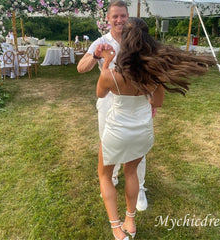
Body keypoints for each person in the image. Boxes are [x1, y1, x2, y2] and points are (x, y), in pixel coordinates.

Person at [96, 17, 215, 240]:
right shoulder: (154, 74)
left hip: (116, 132)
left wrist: (106, 62)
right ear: (147, 40)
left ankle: (116, 229)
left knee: (105, 175)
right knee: (131, 172)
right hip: (141, 131)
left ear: (125, 40)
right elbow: (157, 103)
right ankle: (130, 222)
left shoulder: (110, 75)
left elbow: (100, 94)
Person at [77, 0, 148, 212]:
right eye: (115, 16)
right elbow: (81, 68)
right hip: (108, 102)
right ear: (107, 19)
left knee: (138, 147)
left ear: (128, 17)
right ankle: (112, 176)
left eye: (123, 16)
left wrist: (151, 98)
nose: (119, 20)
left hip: (135, 103)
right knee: (107, 143)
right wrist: (97, 55)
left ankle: (140, 187)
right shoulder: (101, 41)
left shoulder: (138, 40)